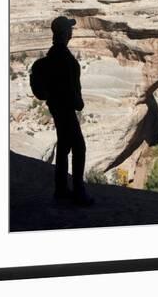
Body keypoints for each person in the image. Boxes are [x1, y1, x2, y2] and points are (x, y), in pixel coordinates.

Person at [46, 16, 94, 206]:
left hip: (56, 107)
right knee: (79, 147)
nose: (72, 31)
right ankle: (78, 191)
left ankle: (61, 188)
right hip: (65, 108)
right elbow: (70, 88)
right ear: (66, 33)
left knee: (64, 147)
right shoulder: (65, 58)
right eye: (70, 29)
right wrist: (78, 103)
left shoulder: (52, 54)